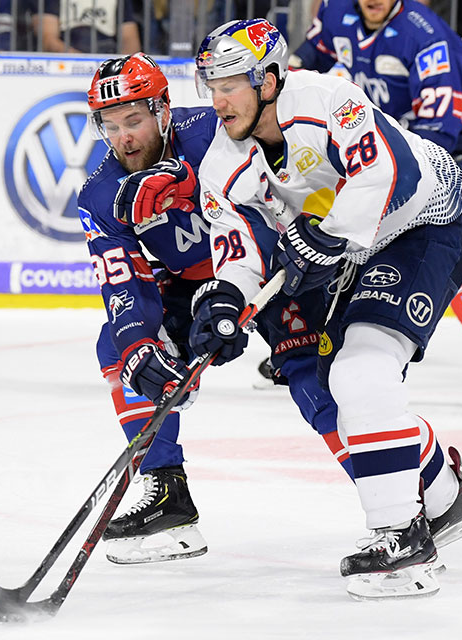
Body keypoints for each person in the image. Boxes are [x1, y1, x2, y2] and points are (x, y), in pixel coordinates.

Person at [192, 18, 462, 599]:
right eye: (210, 84)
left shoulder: (330, 98)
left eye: (231, 83)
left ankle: (402, 539)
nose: (217, 99)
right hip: (356, 250)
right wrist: (226, 301)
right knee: (337, 392)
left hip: (426, 222)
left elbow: (386, 171)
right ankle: (451, 499)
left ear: (270, 80)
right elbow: (239, 245)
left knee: (363, 371)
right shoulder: (222, 163)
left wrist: (328, 237)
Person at [80, 52, 341, 564]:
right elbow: (123, 282)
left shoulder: (213, 133)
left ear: (162, 110)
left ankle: (407, 496)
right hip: (197, 285)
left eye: (133, 120)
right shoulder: (100, 195)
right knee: (118, 348)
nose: (123, 137)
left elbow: (277, 198)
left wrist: (187, 186)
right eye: (109, 126)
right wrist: (138, 346)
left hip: (278, 266)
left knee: (314, 381)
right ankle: (168, 496)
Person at [290, 0, 462, 408]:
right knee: (344, 245)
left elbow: (439, 131)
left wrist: (394, 188)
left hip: (443, 156)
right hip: (373, 152)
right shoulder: (336, 11)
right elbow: (307, 59)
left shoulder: (424, 38)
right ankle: (310, 345)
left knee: (443, 253)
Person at [42, 0, 141, 53]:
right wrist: (80, 61)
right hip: (69, 46)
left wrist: (119, 66)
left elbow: (130, 40)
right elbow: (48, 38)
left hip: (106, 49)